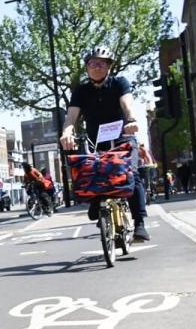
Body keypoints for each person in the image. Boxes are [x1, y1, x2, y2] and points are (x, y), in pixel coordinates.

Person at [60, 46, 150, 242]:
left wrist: (131, 120)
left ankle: (140, 223)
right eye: (92, 63)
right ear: (87, 68)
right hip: (96, 141)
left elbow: (127, 103)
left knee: (131, 173)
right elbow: (71, 116)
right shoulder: (81, 91)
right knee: (87, 170)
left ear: (109, 66)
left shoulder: (119, 83)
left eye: (101, 63)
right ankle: (97, 201)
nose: (96, 67)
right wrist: (67, 132)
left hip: (122, 137)